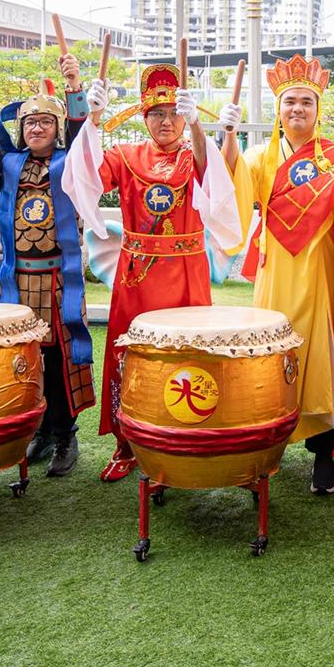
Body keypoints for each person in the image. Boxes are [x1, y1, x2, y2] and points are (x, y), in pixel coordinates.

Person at [64, 58, 244, 482]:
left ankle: (189, 431)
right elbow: (85, 176)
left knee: (189, 351)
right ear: (144, 118)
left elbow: (215, 178)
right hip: (136, 276)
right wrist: (92, 119)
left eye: (173, 114)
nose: (166, 122)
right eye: (157, 114)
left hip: (187, 272)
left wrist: (198, 125)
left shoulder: (194, 153)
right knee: (130, 352)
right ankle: (126, 442)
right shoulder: (125, 156)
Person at [226, 55, 334, 494]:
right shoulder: (259, 156)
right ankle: (267, 448)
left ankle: (323, 455)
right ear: (278, 109)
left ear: (318, 109)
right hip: (275, 273)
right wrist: (227, 138)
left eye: (306, 102)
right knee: (271, 354)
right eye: (290, 102)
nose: (297, 109)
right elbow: (231, 193)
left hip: (320, 270)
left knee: (320, 358)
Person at [0, 53, 94, 478]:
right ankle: (41, 430)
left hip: (60, 278)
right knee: (28, 355)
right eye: (31, 123)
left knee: (61, 356)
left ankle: (65, 434)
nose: (37, 128)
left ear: (57, 128)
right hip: (18, 278)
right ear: (21, 129)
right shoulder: (9, 166)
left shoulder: (71, 163)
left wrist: (74, 87)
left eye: (46, 122)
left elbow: (83, 136)